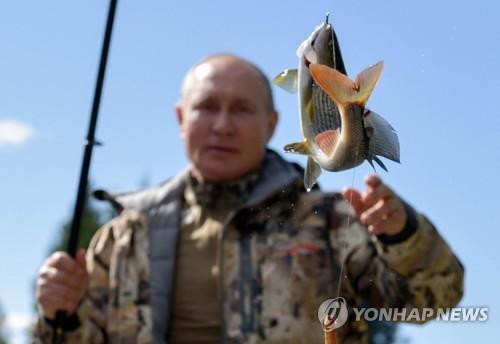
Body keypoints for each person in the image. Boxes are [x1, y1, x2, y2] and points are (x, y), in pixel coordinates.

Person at [34, 54, 464, 343]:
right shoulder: (123, 239)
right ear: (181, 119)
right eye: (207, 107)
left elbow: (429, 303)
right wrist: (60, 313)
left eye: (241, 109)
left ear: (273, 124)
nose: (222, 125)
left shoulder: (332, 220)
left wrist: (404, 233)